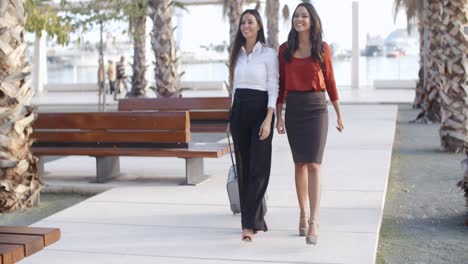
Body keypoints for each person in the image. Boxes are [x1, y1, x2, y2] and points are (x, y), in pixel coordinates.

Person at [275, 2, 344, 245]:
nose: (299, 19)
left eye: (304, 15)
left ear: (312, 21)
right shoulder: (284, 50)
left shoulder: (322, 48)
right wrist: (279, 115)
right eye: (296, 16)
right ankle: (302, 213)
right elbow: (281, 85)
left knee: (314, 163)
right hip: (294, 108)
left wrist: (338, 112)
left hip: (317, 108)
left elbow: (331, 81)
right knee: (299, 163)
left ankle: (314, 221)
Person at [228, 9, 279, 242]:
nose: (245, 26)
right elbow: (234, 86)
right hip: (239, 111)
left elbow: (273, 87)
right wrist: (231, 116)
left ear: (259, 25)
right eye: (243, 22)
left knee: (259, 168)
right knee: (244, 166)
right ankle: (251, 222)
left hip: (261, 111)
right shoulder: (236, 53)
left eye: (250, 22)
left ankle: (249, 223)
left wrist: (269, 118)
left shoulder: (269, 54)